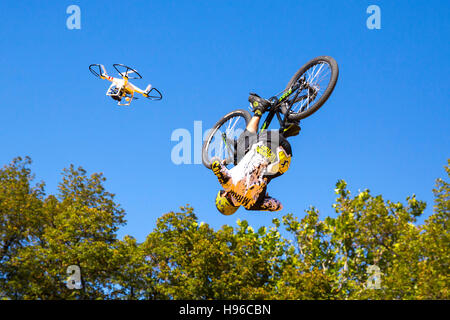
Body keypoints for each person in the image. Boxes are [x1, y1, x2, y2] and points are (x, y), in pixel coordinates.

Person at [211, 93, 300, 215]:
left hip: (286, 156)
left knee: (268, 168)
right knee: (242, 148)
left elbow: (279, 206)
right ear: (225, 194)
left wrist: (264, 198)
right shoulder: (228, 183)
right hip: (267, 142)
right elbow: (215, 164)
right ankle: (259, 109)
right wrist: (221, 162)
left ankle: (288, 126)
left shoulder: (251, 205)